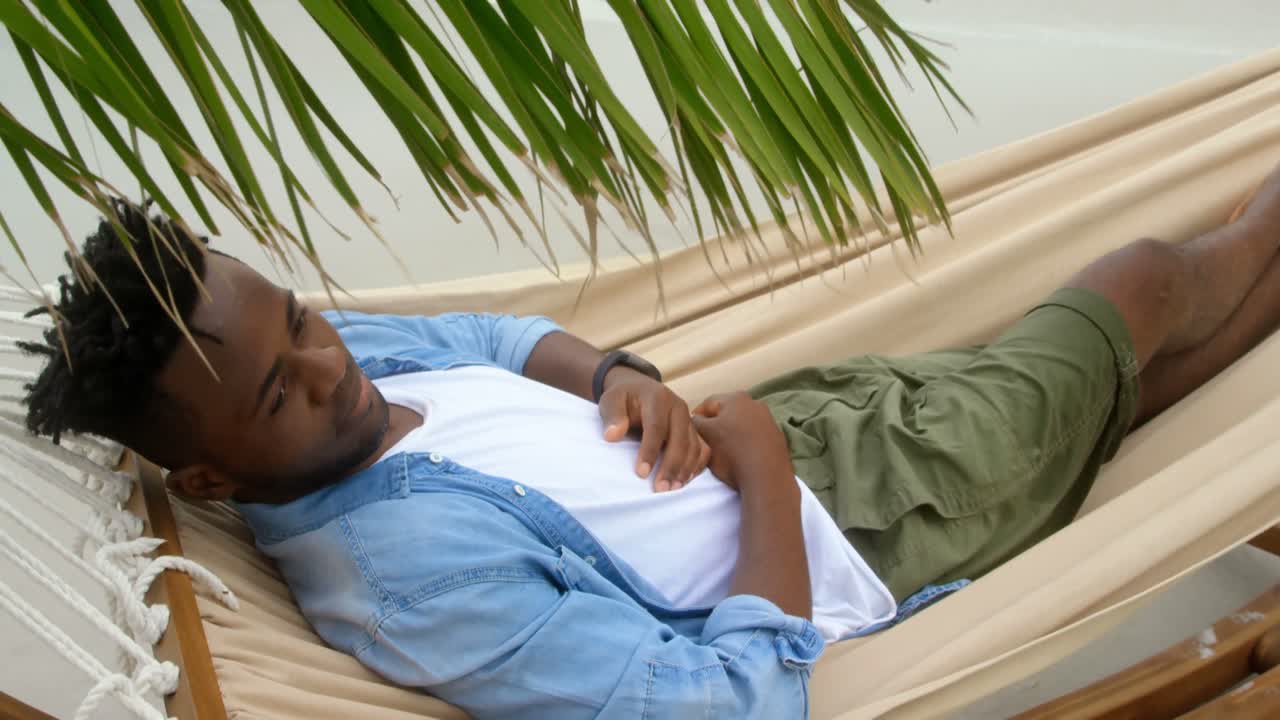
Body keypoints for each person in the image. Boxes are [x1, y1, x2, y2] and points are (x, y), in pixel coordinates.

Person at [22, 163, 1280, 719]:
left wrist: (621, 376)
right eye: (283, 392)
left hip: (801, 421)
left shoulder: (308, 373)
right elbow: (721, 707)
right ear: (204, 477)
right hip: (881, 510)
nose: (329, 362)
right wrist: (767, 477)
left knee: (1125, 384)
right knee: (1138, 287)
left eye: (301, 320)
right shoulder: (414, 584)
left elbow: (496, 337)